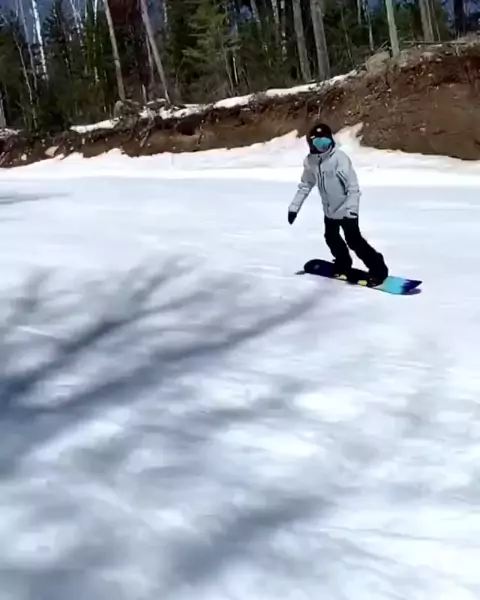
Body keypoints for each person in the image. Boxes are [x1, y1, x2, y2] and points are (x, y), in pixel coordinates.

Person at [288, 123, 389, 286]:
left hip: (346, 209)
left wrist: (351, 210)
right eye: (319, 143)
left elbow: (352, 187)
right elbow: (305, 185)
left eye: (326, 142)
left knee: (354, 241)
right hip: (329, 211)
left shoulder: (339, 159)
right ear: (311, 144)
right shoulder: (310, 162)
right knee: (331, 238)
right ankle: (343, 263)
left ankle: (378, 268)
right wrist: (294, 208)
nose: (324, 147)